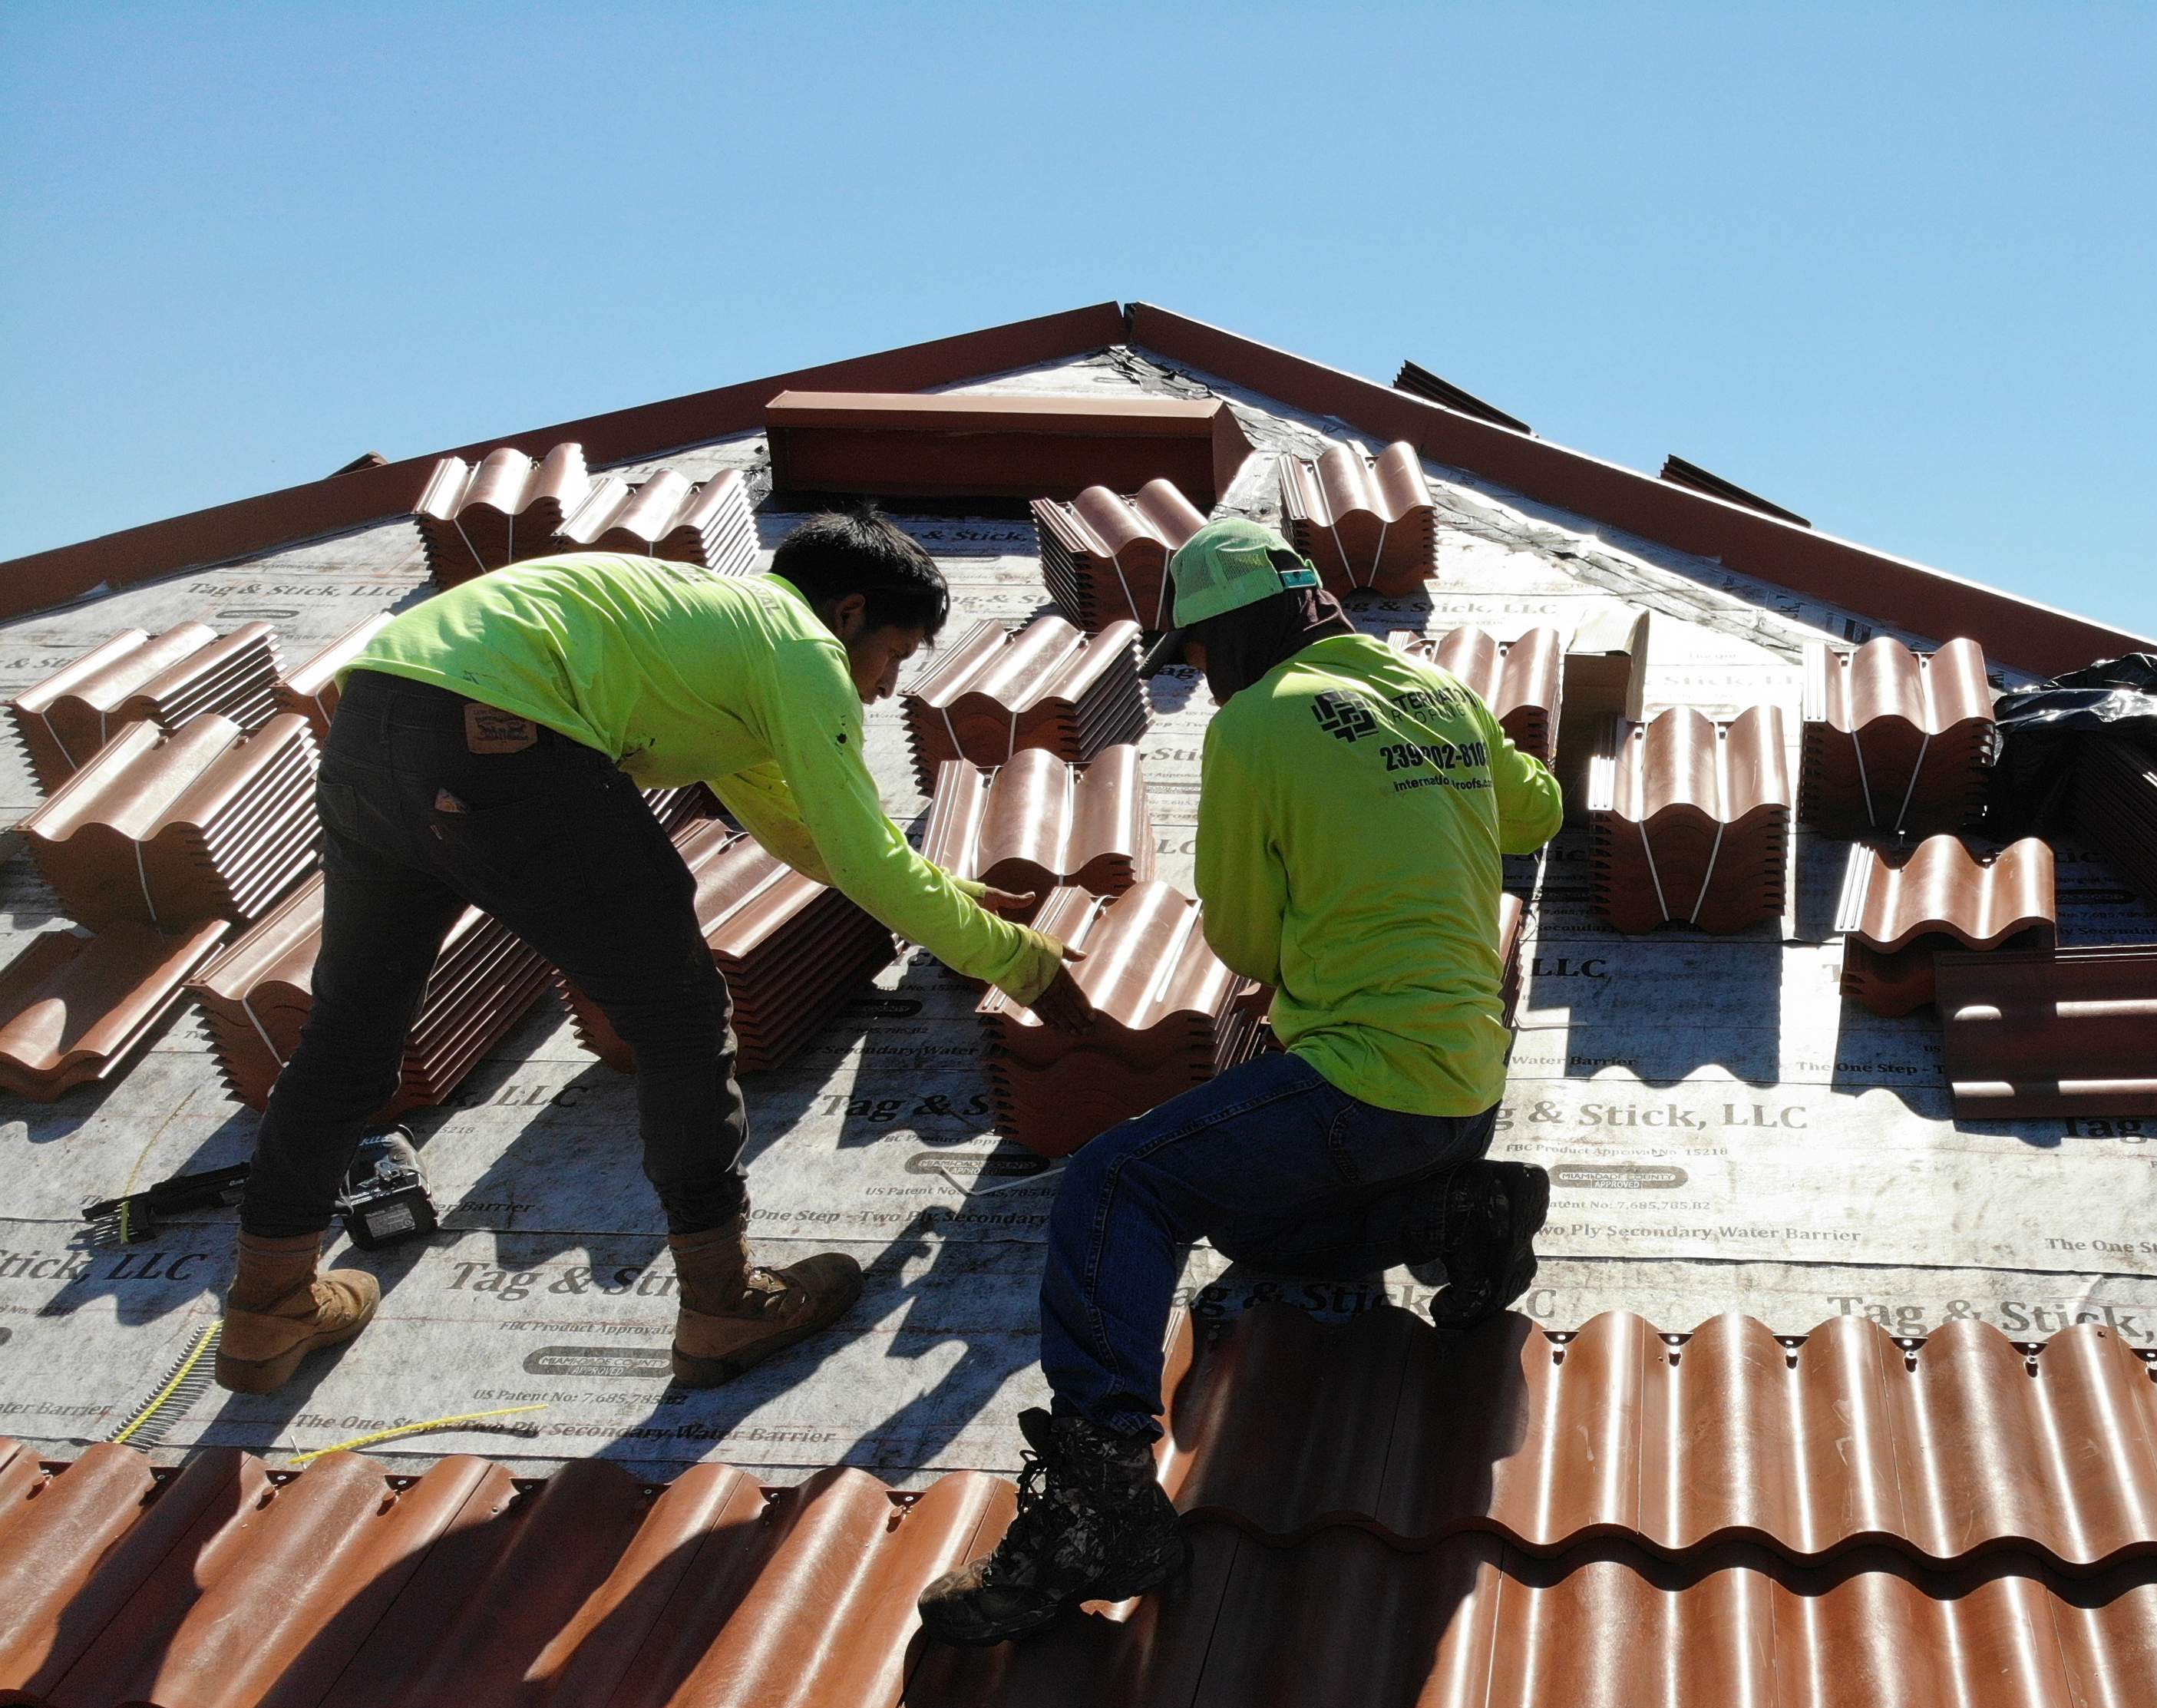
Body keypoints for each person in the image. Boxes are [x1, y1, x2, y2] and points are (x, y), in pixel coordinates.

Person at [216, 509, 1073, 1393]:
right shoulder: (800, 648)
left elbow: (808, 832)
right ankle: (723, 1300)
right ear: (848, 612)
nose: (887, 688)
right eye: (895, 654)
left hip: (373, 723)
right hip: (509, 730)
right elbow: (860, 851)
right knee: (680, 1017)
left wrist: (960, 902)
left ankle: (266, 1307)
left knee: (350, 1029)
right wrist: (1027, 964)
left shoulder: (710, 638)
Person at [918, 516, 1561, 1646]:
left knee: (1118, 1186)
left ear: (1235, 640)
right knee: (1261, 1243)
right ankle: (1462, 1213)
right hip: (1465, 1087)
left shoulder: (1258, 727)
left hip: (1366, 1081)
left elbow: (1249, 945)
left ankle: (1099, 1506)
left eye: (1204, 661)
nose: (1205, 686)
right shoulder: (1438, 692)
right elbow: (1537, 809)